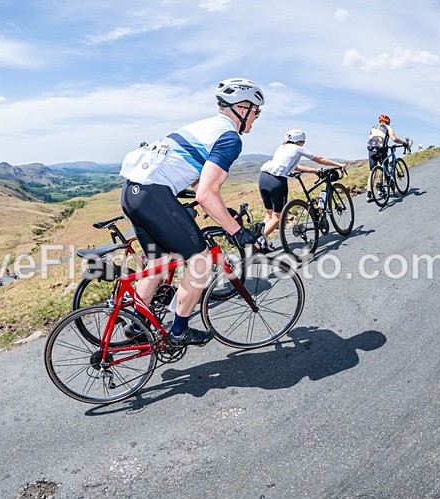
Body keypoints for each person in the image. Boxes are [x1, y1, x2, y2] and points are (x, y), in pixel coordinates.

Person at [119, 78, 264, 346]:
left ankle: (137, 324)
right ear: (242, 108)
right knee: (201, 261)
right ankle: (179, 332)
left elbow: (199, 181)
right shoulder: (230, 138)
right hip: (152, 195)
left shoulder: (204, 126)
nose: (256, 118)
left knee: (158, 261)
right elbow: (205, 193)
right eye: (256, 111)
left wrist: (223, 211)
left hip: (132, 192)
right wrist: (238, 232)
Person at [257, 129, 344, 241]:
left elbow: (295, 167)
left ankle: (254, 237)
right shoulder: (297, 148)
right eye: (302, 142)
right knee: (277, 218)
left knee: (269, 214)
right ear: (299, 142)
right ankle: (257, 241)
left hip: (263, 178)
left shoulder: (282, 148)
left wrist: (314, 171)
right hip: (276, 182)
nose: (302, 145)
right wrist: (338, 164)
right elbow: (320, 159)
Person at [366, 114, 406, 202]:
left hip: (371, 150)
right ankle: (381, 188)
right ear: (388, 122)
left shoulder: (373, 128)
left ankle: (368, 195)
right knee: (385, 168)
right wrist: (403, 143)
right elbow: (394, 139)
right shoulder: (388, 128)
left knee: (372, 172)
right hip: (381, 149)